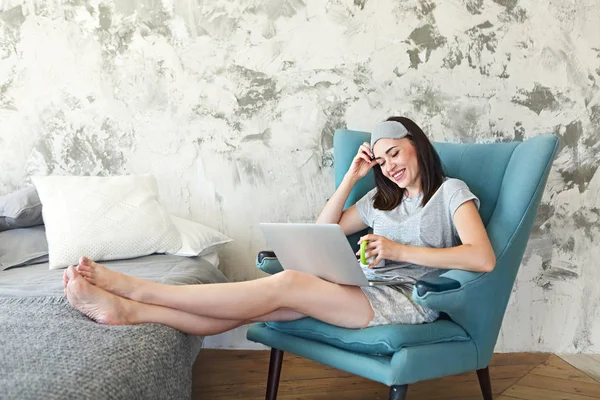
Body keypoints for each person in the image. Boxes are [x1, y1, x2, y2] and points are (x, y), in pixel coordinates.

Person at [62, 116, 496, 333]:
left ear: (416, 146)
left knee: (286, 284)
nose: (390, 166)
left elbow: (482, 257)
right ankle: (128, 311)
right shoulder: (381, 200)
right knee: (263, 308)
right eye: (382, 160)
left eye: (395, 154)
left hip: (406, 300)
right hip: (364, 287)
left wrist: (398, 251)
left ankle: (137, 288)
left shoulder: (451, 192)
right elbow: (325, 228)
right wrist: (352, 176)